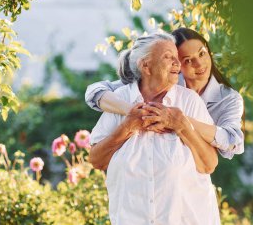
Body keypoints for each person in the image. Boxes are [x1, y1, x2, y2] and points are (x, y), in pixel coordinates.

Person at [89, 32, 220, 225]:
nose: (177, 63)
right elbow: (96, 160)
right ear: (145, 65)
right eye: (168, 57)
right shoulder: (120, 101)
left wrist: (182, 126)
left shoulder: (188, 101)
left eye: (177, 58)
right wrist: (127, 127)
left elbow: (209, 164)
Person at [85, 28, 244, 159]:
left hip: (199, 167)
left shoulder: (229, 99)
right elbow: (95, 92)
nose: (199, 64)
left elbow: (232, 143)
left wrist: (178, 120)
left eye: (202, 53)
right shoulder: (164, 80)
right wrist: (133, 111)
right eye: (187, 60)